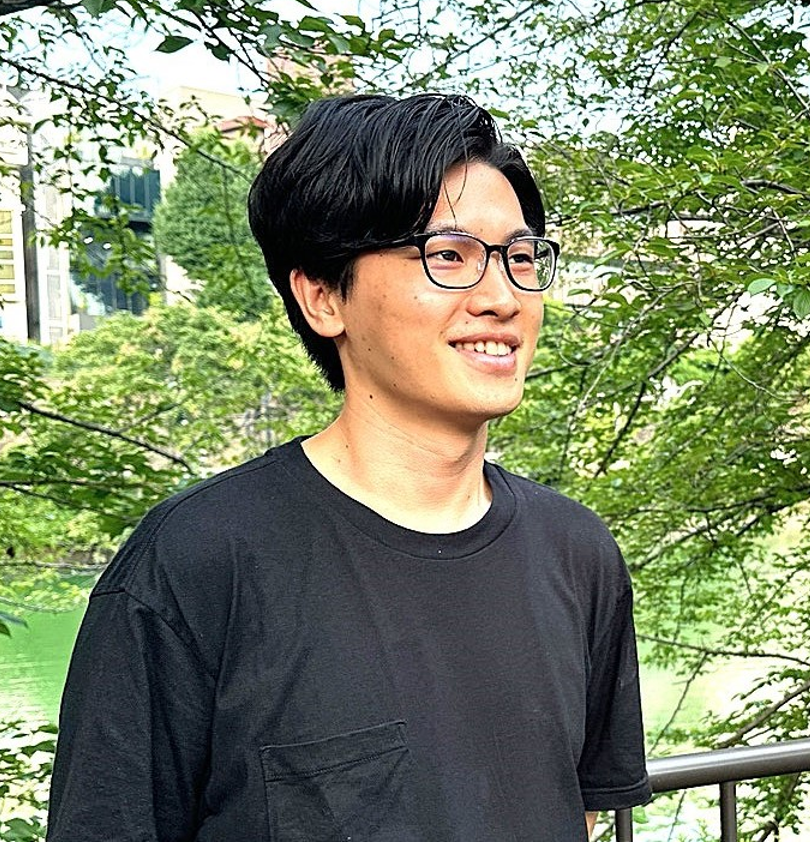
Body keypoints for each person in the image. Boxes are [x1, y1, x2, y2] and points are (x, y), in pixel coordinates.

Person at [47, 94, 652, 841]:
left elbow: (575, 811)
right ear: (323, 296)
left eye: (521, 258)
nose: (501, 297)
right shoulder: (197, 562)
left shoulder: (577, 552)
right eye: (449, 256)